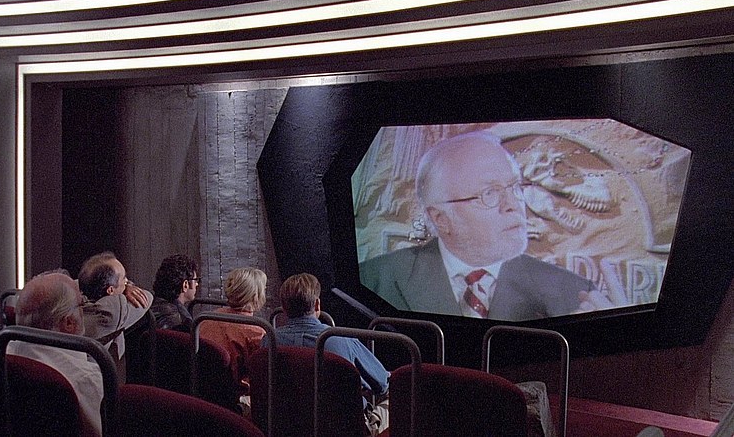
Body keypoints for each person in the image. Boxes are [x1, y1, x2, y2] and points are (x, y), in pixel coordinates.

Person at [359, 131, 626, 320]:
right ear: (441, 219)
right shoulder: (374, 280)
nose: (513, 205)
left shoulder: (575, 294)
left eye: (515, 187)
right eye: (490, 193)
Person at [265, 273, 390, 436]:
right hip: (344, 430)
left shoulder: (268, 342)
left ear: (283, 306)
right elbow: (382, 384)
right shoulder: (342, 339)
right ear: (317, 304)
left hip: (286, 428)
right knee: (397, 396)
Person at [7, 272, 103, 437]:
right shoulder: (85, 379)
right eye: (82, 303)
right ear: (68, 322)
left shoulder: (1, 355)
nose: (84, 309)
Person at [77, 251, 153, 383]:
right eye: (124, 279)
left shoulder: (71, 301)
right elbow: (146, 297)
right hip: (98, 386)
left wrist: (125, 286)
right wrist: (129, 288)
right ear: (111, 290)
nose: (127, 282)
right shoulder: (111, 312)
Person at [197, 267, 267, 391]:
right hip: (234, 394)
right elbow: (259, 377)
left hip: (200, 388)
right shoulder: (256, 333)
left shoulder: (204, 320)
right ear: (256, 296)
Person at [149, 254, 199, 332]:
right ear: (185, 285)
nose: (197, 284)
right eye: (195, 280)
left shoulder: (148, 305)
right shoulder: (183, 323)